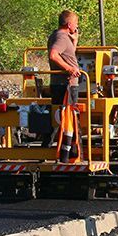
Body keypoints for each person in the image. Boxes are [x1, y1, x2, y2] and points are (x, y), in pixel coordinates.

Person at [48, 10, 81, 162]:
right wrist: (70, 69)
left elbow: (67, 54)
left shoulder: (62, 37)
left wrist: (74, 41)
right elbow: (54, 55)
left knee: (64, 119)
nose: (77, 26)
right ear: (69, 24)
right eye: (76, 23)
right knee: (66, 119)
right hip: (65, 85)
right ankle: (65, 155)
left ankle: (66, 152)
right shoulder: (61, 37)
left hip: (64, 84)